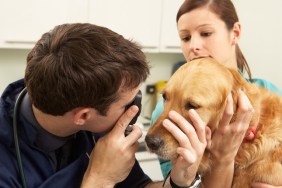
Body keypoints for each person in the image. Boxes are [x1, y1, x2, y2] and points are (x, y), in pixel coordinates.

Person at [0, 23, 206, 187]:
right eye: (127, 104)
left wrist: (177, 182)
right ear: (83, 116)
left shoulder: (97, 125)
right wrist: (100, 179)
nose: (134, 110)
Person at [151, 0, 282, 187]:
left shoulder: (270, 92)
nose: (194, 45)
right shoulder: (164, 113)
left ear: (235, 33)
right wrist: (224, 157)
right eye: (185, 37)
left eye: (206, 33)